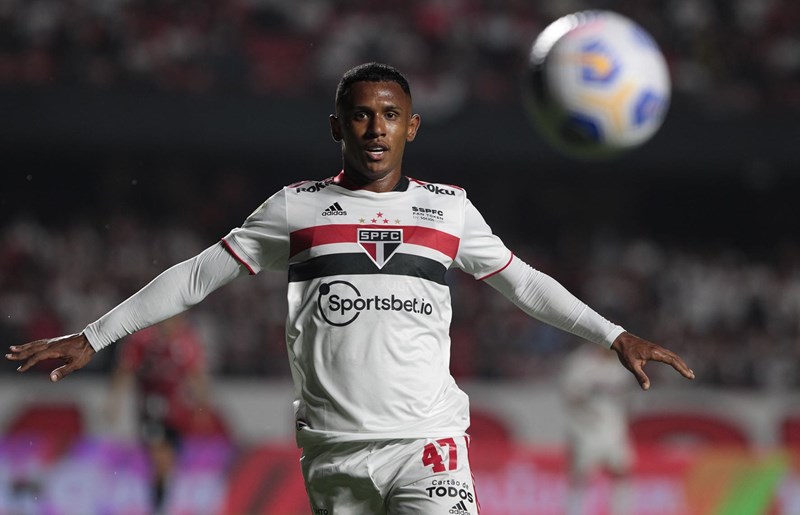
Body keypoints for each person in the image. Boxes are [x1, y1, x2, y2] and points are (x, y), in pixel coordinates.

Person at [5, 62, 694, 515]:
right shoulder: (296, 208)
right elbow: (194, 275)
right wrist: (94, 334)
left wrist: (613, 333)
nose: (375, 128)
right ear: (338, 125)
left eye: (390, 115)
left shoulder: (449, 209)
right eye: (361, 115)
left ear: (411, 127)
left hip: (429, 441)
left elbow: (523, 282)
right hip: (334, 450)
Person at [104, 314, 213, 513]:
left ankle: (160, 500)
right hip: (150, 407)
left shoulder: (187, 340)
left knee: (167, 463)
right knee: (160, 456)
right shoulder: (142, 340)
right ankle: (157, 505)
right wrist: (114, 401)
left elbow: (196, 373)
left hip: (178, 412)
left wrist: (203, 405)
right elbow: (125, 370)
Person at [560, 344, 635, 515]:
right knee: (581, 475)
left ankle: (621, 511)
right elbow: (570, 395)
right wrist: (581, 419)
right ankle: (574, 511)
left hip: (614, 427)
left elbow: (627, 399)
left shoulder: (622, 365)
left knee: (621, 471)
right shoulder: (581, 363)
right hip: (586, 428)